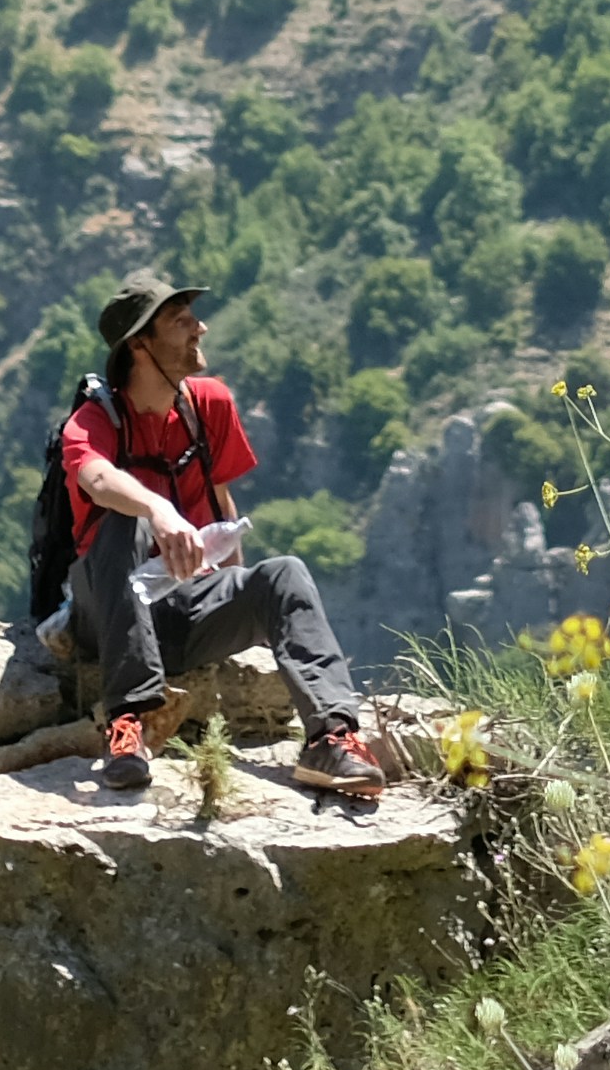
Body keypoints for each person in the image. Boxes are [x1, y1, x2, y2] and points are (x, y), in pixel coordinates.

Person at [56, 279, 388, 802]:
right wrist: (158, 510)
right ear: (139, 345)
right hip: (108, 616)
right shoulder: (94, 421)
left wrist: (233, 578)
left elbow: (219, 500)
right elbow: (97, 481)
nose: (200, 327)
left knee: (284, 574)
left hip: (183, 611)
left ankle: (331, 738)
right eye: (181, 320)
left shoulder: (208, 406)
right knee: (122, 520)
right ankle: (126, 726)